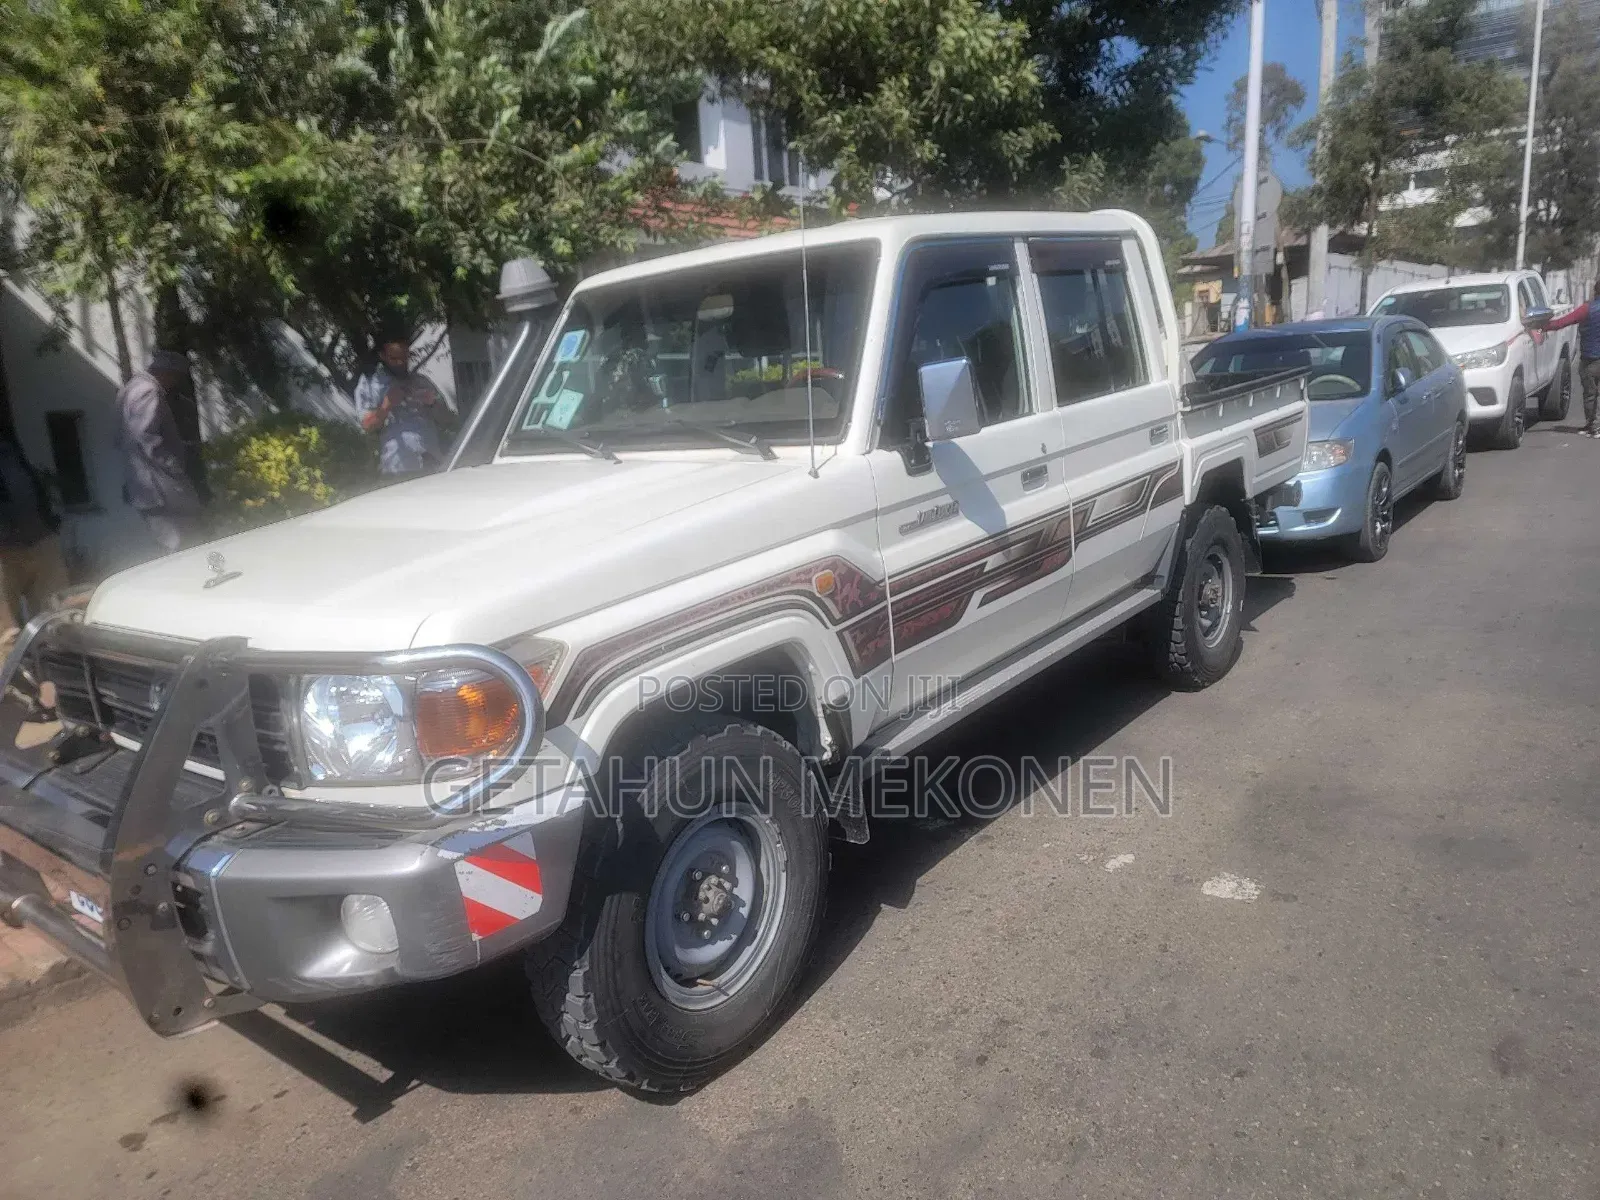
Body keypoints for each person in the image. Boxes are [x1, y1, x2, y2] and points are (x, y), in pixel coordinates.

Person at [116, 350, 206, 551]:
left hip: (146, 486)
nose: (174, 384)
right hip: (159, 487)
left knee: (171, 545)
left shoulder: (129, 389)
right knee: (182, 545)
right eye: (175, 378)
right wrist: (173, 465)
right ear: (167, 373)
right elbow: (145, 437)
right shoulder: (148, 391)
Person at [0, 432, 68, 653]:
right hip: (4, 554)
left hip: (40, 541)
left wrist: (49, 522)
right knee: (7, 638)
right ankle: (12, 686)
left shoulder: (8, 444)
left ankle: (60, 682)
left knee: (56, 623)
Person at [355, 339, 448, 476]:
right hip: (399, 467)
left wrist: (433, 403)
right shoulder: (370, 385)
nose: (400, 363)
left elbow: (447, 419)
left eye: (404, 358)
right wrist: (386, 405)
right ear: (383, 356)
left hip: (431, 462)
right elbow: (367, 425)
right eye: (394, 358)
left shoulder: (422, 382)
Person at [1546, 282, 1600, 438]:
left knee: (1590, 394)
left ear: (1595, 291)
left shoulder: (1587, 309)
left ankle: (1594, 426)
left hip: (1590, 358)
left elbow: (1563, 322)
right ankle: (1593, 426)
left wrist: (1543, 326)